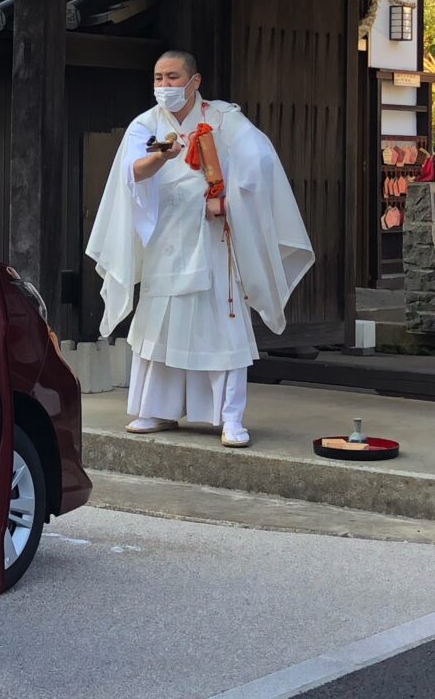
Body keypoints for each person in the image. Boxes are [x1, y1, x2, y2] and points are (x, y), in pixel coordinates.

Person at [85, 51, 314, 447]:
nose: (164, 85)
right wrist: (161, 156)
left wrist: (229, 203)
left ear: (194, 82)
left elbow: (259, 161)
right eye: (158, 77)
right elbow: (131, 171)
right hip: (166, 238)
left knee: (218, 328)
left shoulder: (224, 119)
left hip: (211, 238)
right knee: (160, 322)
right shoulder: (146, 123)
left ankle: (230, 417)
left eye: (173, 77)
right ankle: (156, 410)